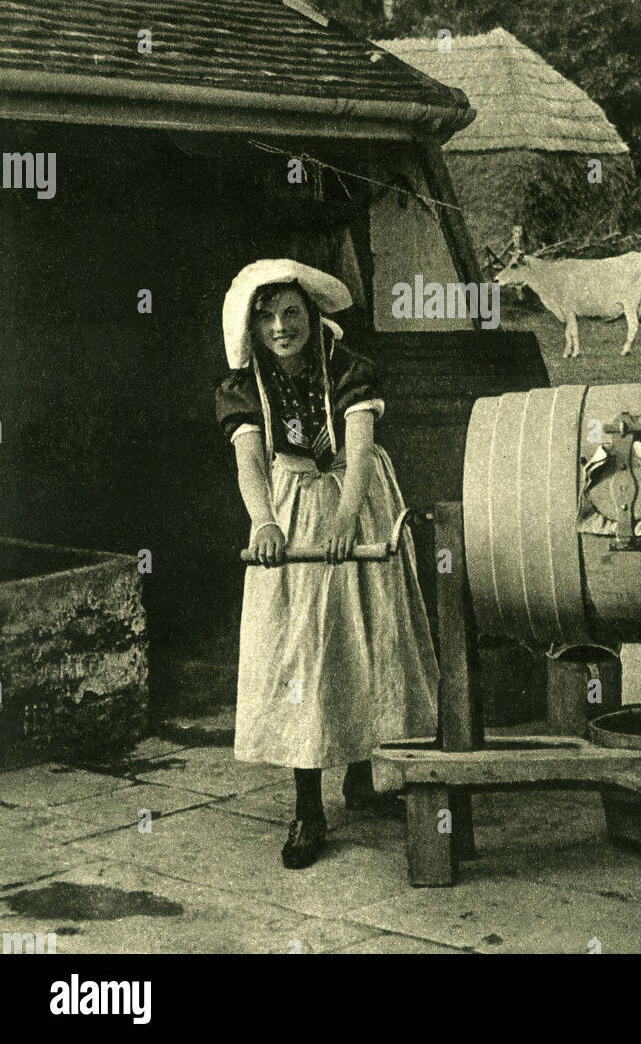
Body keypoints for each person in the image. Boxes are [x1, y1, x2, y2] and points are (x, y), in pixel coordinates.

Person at [215, 258, 439, 869]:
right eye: (269, 319)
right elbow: (250, 463)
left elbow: (361, 448)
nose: (283, 327)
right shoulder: (246, 385)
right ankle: (307, 808)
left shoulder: (344, 365)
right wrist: (263, 521)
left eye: (293, 313)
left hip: (354, 499)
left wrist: (346, 519)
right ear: (254, 330)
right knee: (302, 654)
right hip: (290, 510)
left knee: (364, 637)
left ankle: (363, 780)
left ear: (312, 317)